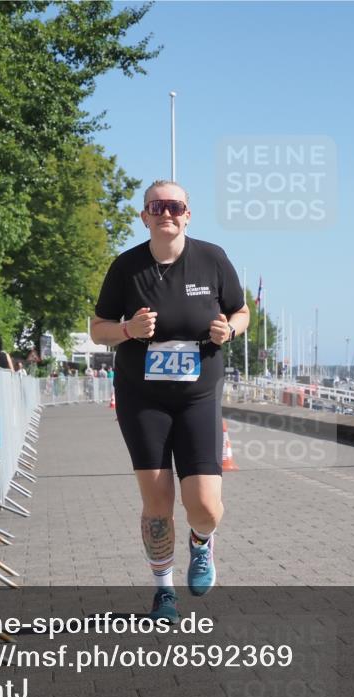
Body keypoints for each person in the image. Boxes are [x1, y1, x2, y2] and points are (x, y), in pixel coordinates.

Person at [91, 180, 248, 622]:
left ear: (188, 214)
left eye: (175, 206)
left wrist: (230, 330)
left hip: (198, 396)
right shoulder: (126, 267)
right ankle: (163, 592)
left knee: (204, 503)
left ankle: (201, 542)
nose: (167, 213)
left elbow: (242, 311)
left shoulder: (213, 259)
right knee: (157, 502)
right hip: (142, 397)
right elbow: (97, 327)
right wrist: (127, 331)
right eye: (157, 206)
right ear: (144, 216)